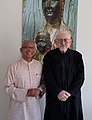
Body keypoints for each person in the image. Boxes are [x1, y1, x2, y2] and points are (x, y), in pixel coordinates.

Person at [43, 31, 85, 120]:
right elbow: (47, 76)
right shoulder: (49, 56)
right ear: (55, 42)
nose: (63, 42)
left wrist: (69, 92)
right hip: (55, 96)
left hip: (72, 97)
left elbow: (80, 77)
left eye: (66, 40)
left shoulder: (77, 56)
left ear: (70, 42)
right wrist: (58, 92)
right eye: (60, 40)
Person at [4, 41, 44, 120]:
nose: (29, 50)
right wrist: (26, 92)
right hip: (17, 108)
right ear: (21, 50)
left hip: (34, 107)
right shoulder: (13, 67)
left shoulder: (40, 65)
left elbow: (44, 83)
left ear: (35, 51)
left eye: (31, 48)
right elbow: (7, 87)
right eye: (26, 47)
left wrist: (39, 90)